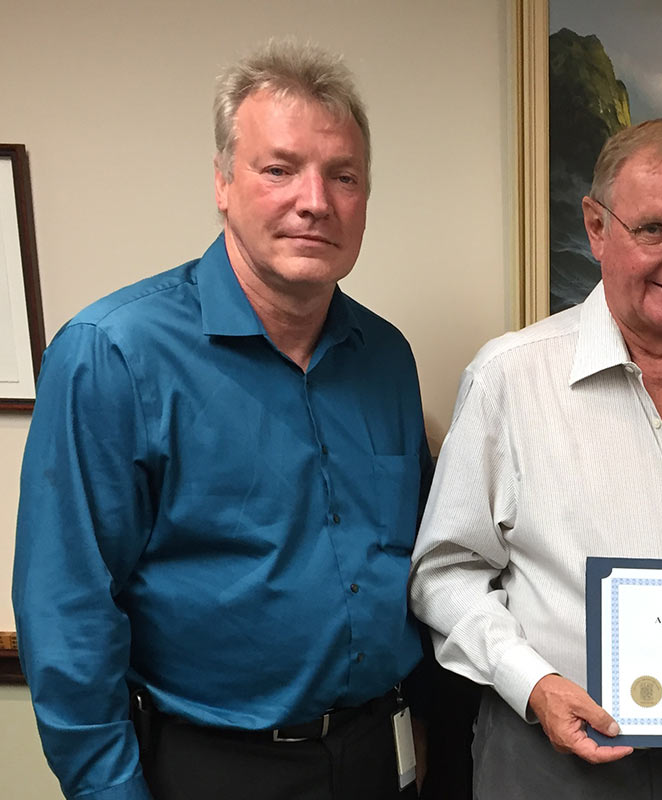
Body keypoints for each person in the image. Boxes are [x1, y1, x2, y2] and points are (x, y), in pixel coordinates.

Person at [13, 40, 431, 800]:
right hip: (216, 766)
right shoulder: (112, 355)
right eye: (279, 169)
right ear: (222, 183)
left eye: (344, 176)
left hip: (380, 751)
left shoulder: (387, 358)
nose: (316, 200)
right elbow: (68, 609)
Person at [409, 118, 662, 799]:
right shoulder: (511, 378)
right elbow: (444, 573)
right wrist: (534, 684)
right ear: (598, 228)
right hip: (545, 760)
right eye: (655, 229)